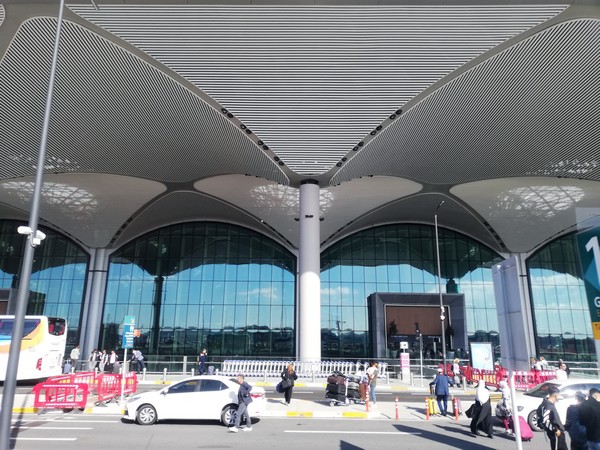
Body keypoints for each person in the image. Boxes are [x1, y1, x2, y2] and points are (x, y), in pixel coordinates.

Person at [538, 385, 567, 450]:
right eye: (558, 395)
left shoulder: (544, 403)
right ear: (555, 395)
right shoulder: (549, 406)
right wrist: (555, 430)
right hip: (556, 434)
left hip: (555, 433)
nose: (559, 397)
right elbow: (546, 420)